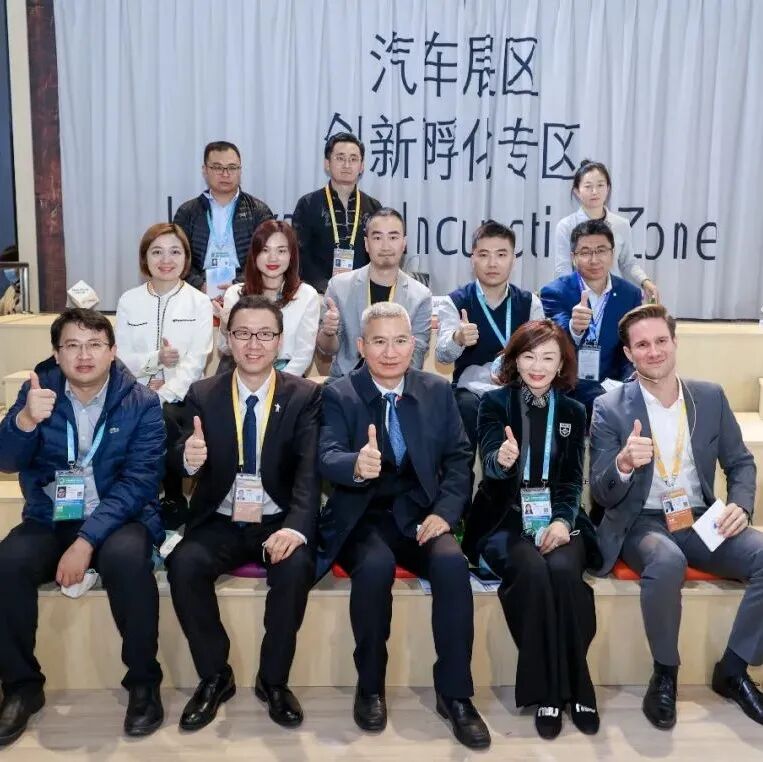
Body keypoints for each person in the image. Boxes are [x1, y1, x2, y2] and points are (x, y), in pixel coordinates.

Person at [318, 302, 491, 750]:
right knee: (374, 570)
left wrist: (445, 514)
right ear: (361, 346)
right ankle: (369, 686)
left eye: (399, 341)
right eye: (379, 342)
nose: (390, 352)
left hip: (421, 515)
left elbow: (458, 459)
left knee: (452, 565)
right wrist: (355, 464)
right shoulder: (339, 393)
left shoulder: (436, 390)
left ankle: (455, 695)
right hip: (363, 516)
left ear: (413, 345)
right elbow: (326, 454)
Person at [590, 303, 763, 729]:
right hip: (641, 521)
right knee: (667, 562)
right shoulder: (610, 407)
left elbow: (741, 463)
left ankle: (734, 670)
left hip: (700, 516)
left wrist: (740, 505)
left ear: (674, 342)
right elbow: (601, 492)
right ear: (628, 354)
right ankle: (665, 673)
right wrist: (623, 464)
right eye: (642, 345)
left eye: (661, 341)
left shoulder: (709, 396)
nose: (653, 352)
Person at [0, 308, 166, 744]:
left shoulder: (142, 402)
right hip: (51, 516)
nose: (84, 355)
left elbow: (139, 482)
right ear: (57, 354)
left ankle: (144, 684)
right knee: (8, 562)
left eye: (95, 344)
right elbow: (6, 460)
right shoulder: (37, 393)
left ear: (113, 351)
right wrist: (24, 421)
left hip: (120, 517)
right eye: (72, 345)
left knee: (129, 560)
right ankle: (21, 687)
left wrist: (86, 540)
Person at [165, 295, 321, 732]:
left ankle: (274, 680)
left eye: (265, 334)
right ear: (227, 340)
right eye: (243, 334)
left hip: (277, 519)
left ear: (280, 340)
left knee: (296, 568)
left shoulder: (304, 396)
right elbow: (178, 456)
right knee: (184, 564)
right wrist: (187, 459)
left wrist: (295, 528)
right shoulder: (203, 394)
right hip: (221, 518)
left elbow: (309, 472)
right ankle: (216, 676)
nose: (254, 344)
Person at [463, 320, 598, 740]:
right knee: (534, 572)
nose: (537, 366)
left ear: (561, 364)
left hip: (558, 518)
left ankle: (575, 686)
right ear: (515, 360)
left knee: (564, 572)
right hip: (505, 519)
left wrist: (562, 521)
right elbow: (490, 462)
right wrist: (502, 460)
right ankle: (551, 694)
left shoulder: (573, 411)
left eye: (548, 357)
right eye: (528, 356)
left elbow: (572, 481)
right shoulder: (493, 403)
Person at [116, 222, 213, 524]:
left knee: (166, 416)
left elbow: (195, 362)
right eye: (157, 252)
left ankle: (171, 495)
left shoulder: (199, 302)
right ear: (145, 258)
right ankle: (137, 495)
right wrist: (153, 361)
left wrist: (162, 394)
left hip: (182, 397)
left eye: (175, 252)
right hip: (134, 393)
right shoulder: (129, 301)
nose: (166, 260)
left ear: (186, 257)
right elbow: (120, 358)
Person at [436, 220, 545, 456]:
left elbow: (542, 354)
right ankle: (460, 478)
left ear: (513, 259)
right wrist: (458, 338)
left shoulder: (530, 303)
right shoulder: (455, 301)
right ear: (472, 258)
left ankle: (513, 477)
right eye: (484, 254)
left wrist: (516, 371)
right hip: (469, 392)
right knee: (464, 409)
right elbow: (442, 356)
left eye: (501, 255)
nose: (492, 263)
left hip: (517, 386)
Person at [541, 218, 642, 422]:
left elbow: (629, 348)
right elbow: (556, 339)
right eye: (585, 252)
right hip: (569, 389)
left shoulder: (630, 294)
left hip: (612, 388)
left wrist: (629, 380)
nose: (594, 259)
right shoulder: (554, 292)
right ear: (573, 257)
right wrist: (575, 328)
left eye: (601, 251)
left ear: (612, 254)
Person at [317, 207, 431, 380]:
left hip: (398, 382)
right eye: (377, 238)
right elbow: (327, 349)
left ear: (404, 243)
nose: (385, 246)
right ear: (366, 243)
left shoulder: (420, 296)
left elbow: (416, 355)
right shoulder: (339, 286)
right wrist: (328, 332)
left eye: (393, 237)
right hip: (347, 382)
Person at [218, 219, 320, 376]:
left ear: (291, 255)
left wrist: (276, 385)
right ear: (255, 254)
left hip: (288, 378)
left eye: (281, 251)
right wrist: (226, 328)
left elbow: (303, 356)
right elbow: (224, 349)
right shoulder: (235, 293)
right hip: (241, 375)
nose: (273, 258)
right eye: (265, 250)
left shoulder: (307, 295)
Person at [173, 140, 273, 294]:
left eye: (232, 167)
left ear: (240, 170)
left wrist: (238, 286)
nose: (225, 174)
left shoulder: (258, 211)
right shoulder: (187, 212)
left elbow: (266, 257)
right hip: (197, 291)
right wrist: (200, 286)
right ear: (205, 170)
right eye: (217, 167)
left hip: (246, 290)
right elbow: (178, 257)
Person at [554, 159, 659, 301]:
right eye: (588, 186)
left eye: (600, 185)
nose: (595, 191)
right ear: (577, 191)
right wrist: (575, 299)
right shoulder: (566, 226)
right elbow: (563, 270)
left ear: (608, 189)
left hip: (614, 297)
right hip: (580, 298)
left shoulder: (621, 224)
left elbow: (628, 263)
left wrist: (645, 281)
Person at [292, 132, 382, 293]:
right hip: (318, 293)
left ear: (361, 166)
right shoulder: (308, 204)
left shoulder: (373, 207)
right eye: (340, 158)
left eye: (353, 159)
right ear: (327, 163)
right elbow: (300, 254)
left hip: (363, 291)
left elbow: (378, 254)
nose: (347, 165)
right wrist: (325, 288)